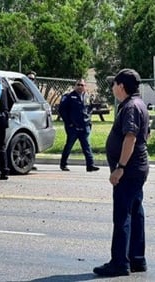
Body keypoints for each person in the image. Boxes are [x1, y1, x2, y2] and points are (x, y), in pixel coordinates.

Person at [93, 69, 149, 277]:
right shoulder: (138, 104)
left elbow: (130, 137)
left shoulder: (130, 107)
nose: (112, 88)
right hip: (138, 167)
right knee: (135, 212)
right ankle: (136, 259)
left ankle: (119, 262)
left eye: (113, 84)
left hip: (130, 169)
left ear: (121, 86)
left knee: (122, 215)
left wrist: (120, 167)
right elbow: (147, 135)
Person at [58, 79, 99, 172]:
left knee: (86, 146)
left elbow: (89, 109)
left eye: (82, 85)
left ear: (85, 86)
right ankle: (63, 164)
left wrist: (88, 120)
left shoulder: (87, 96)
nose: (80, 86)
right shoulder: (69, 96)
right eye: (78, 85)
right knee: (69, 146)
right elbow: (62, 110)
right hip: (73, 127)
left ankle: (90, 165)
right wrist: (69, 123)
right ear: (75, 86)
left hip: (84, 126)